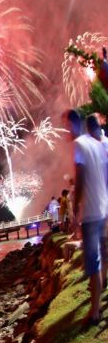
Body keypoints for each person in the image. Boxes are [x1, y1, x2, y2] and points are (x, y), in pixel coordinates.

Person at [65, 109, 107, 326]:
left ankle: (94, 310)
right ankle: (98, 300)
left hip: (91, 211)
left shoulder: (79, 146)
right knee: (101, 255)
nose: (65, 132)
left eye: (66, 127)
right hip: (103, 208)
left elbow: (80, 181)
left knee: (93, 261)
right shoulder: (96, 143)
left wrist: (76, 214)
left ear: (72, 125)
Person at [86, 114, 108, 290]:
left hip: (103, 202)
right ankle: (103, 279)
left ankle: (102, 280)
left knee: (103, 245)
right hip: (103, 202)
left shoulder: (98, 146)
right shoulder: (104, 143)